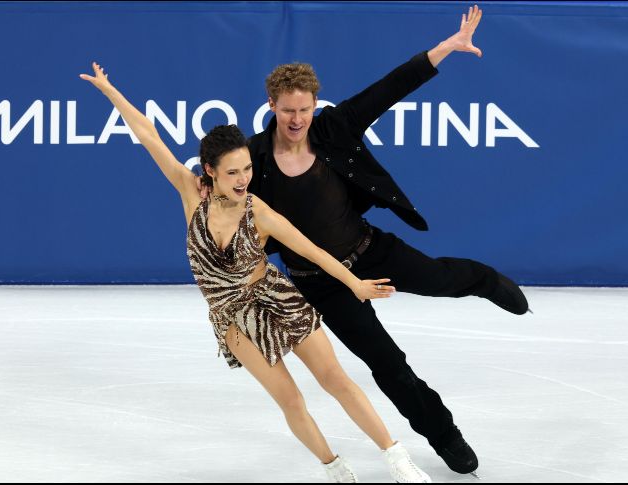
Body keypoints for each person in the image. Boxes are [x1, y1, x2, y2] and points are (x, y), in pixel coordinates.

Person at [80, 62, 433, 483]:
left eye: (247, 169)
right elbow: (147, 135)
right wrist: (110, 92)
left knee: (335, 378)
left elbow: (313, 250)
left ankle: (396, 458)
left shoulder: (258, 210)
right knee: (291, 399)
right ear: (209, 170)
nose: (244, 179)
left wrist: (355, 283)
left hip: (276, 296)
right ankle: (335, 468)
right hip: (234, 319)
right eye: (233, 172)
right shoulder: (190, 195)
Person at [242, 4, 529, 476]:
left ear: (316, 105)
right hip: (323, 285)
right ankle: (445, 436)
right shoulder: (253, 157)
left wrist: (448, 47)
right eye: (288, 110)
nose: (297, 120)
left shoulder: (334, 127)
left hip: (370, 250)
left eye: (305, 110)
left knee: (442, 279)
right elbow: (217, 191)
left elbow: (391, 87)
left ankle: (484, 279)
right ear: (271, 105)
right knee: (388, 364)